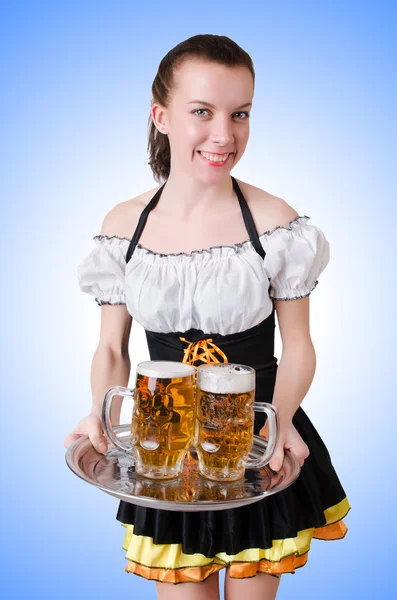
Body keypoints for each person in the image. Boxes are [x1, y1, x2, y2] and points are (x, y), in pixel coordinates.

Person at [63, 34, 351, 600]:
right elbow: (113, 350)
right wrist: (100, 414)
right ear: (161, 116)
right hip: (162, 440)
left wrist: (282, 422)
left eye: (240, 114)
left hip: (255, 433)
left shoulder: (275, 223)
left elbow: (299, 346)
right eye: (202, 112)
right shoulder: (125, 225)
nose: (225, 135)